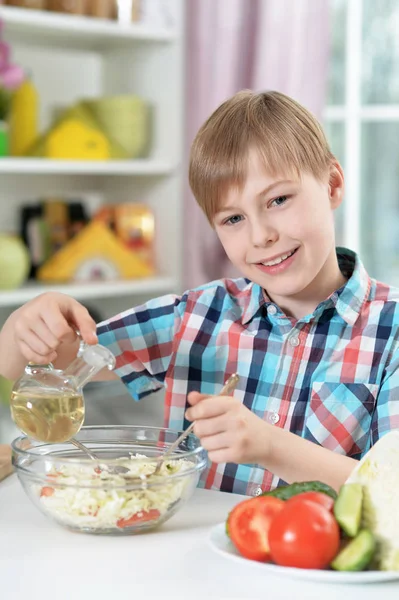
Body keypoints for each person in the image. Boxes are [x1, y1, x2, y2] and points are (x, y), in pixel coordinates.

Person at [1, 90, 398, 496]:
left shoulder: (391, 332)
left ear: (332, 185)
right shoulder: (195, 316)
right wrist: (25, 326)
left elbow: (393, 490)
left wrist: (271, 447)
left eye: (279, 199)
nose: (262, 236)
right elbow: (28, 365)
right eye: (233, 218)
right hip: (191, 555)